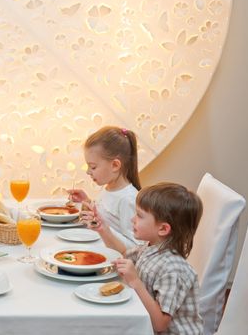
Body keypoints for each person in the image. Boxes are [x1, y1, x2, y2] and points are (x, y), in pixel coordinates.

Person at [96, 183, 203, 334]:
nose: (133, 219)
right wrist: (103, 230)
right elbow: (123, 253)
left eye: (139, 215)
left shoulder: (173, 270)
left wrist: (135, 281)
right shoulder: (151, 247)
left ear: (163, 229)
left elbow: (159, 324)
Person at [68, 126, 142, 249]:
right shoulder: (108, 188)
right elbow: (107, 217)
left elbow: (136, 248)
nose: (88, 172)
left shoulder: (128, 199)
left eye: (93, 167)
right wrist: (86, 201)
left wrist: (101, 227)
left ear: (115, 165)